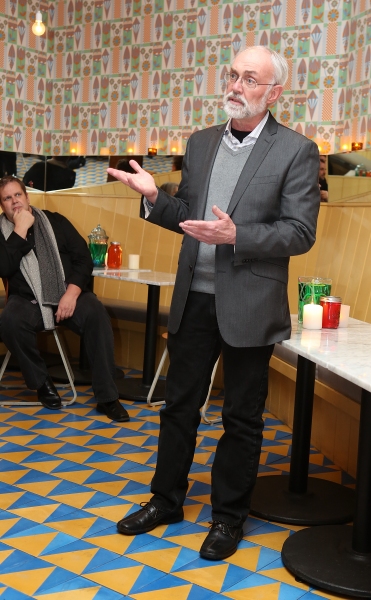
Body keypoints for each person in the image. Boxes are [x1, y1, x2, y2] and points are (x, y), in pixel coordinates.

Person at [108, 46, 320, 560]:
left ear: (273, 93)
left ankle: (228, 518)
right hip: (193, 299)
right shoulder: (200, 143)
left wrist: (236, 236)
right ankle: (166, 500)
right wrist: (155, 198)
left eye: (250, 79)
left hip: (250, 304)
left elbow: (300, 232)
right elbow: (188, 214)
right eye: (233, 75)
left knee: (241, 418)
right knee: (178, 407)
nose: (237, 85)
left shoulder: (296, 150)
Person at [0, 175, 129, 422]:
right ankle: (42, 384)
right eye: (7, 198)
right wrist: (19, 230)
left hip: (68, 293)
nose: (14, 202)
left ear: (27, 197)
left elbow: (82, 258)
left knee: (96, 314)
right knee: (10, 322)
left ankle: (107, 398)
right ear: (2, 206)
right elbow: (4, 267)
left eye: (18, 195)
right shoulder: (1, 232)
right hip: (27, 301)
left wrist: (71, 292)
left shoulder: (55, 222)